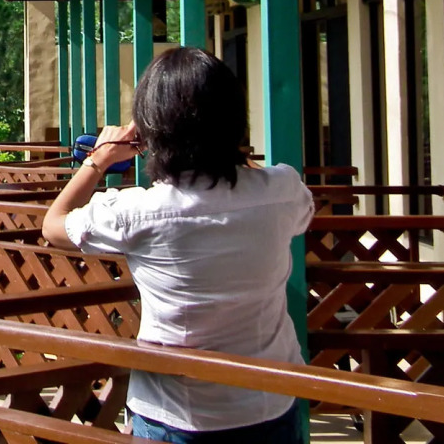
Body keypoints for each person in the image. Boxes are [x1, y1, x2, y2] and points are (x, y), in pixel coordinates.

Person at [41, 46, 315, 443]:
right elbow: (282, 195)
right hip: (271, 402)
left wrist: (98, 160)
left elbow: (53, 226)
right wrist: (227, 144)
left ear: (153, 130)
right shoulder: (282, 189)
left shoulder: (136, 211)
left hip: (175, 413)